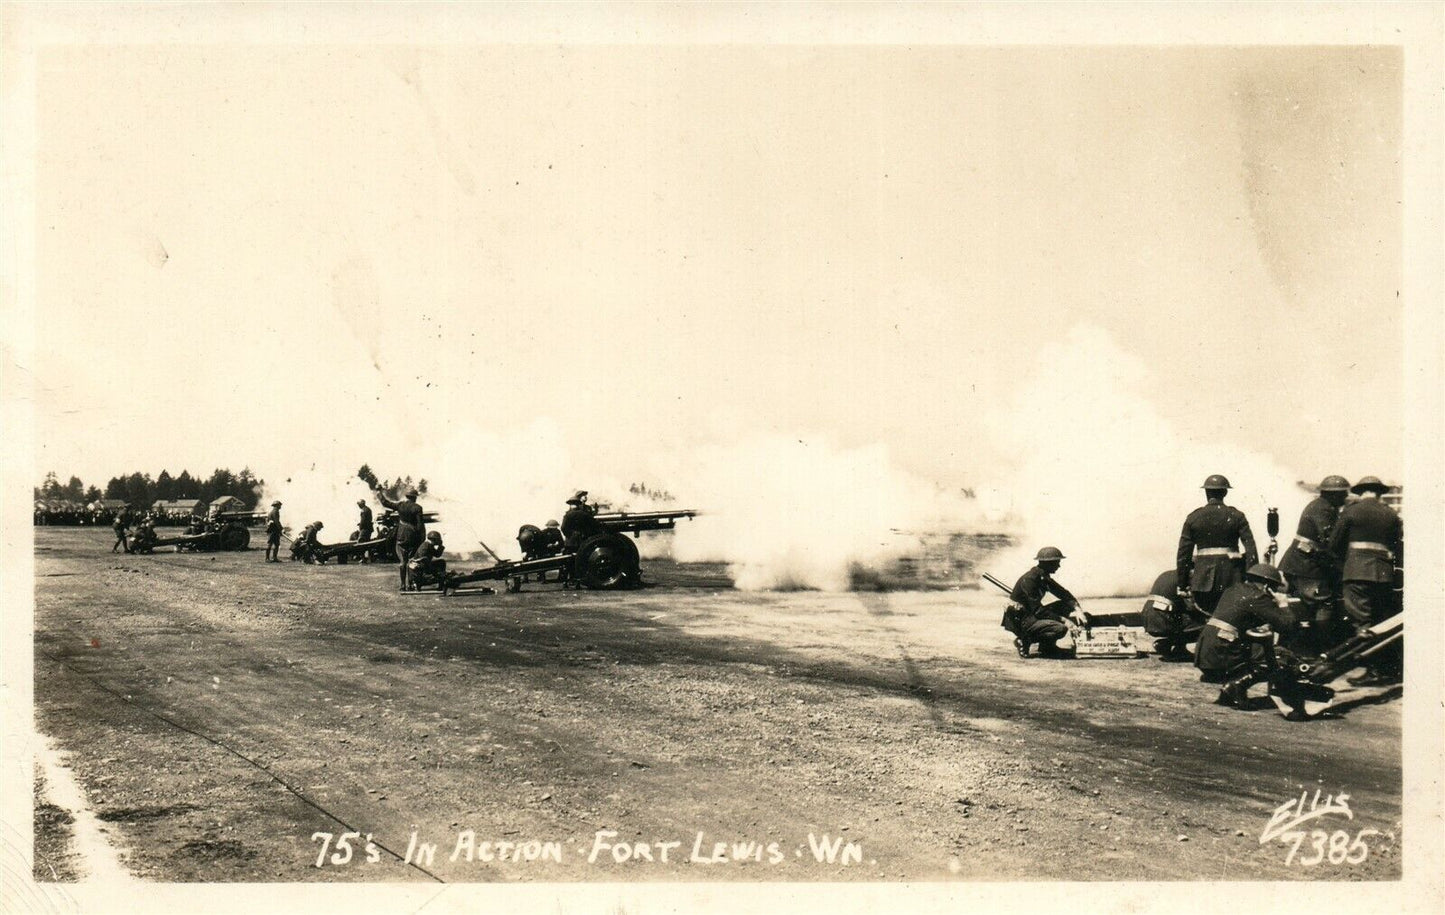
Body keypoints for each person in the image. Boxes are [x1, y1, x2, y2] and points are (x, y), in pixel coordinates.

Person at [1327, 476, 1403, 684]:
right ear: (1379, 492)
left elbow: (1334, 544)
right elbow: (1398, 546)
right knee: (1380, 622)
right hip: (1384, 575)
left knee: (1362, 623)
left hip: (1357, 573)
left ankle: (1371, 668)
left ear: (1361, 491)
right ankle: (1383, 668)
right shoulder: (1391, 514)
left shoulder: (1351, 511)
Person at [1194, 563, 1297, 707]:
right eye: (1273, 588)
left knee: (1259, 652)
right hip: (1221, 652)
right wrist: (1283, 604)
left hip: (1206, 653)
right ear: (1266, 586)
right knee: (1283, 657)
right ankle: (1236, 686)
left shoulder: (1233, 590)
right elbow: (1288, 626)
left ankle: (1229, 691)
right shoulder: (1258, 597)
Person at [1278, 475, 1350, 651]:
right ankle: (1323, 647)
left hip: (1301, 563)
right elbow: (1330, 539)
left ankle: (1293, 644)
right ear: (1333, 494)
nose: (1345, 498)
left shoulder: (1321, 506)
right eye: (1342, 494)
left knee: (1303, 606)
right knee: (1324, 602)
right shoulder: (1324, 509)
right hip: (1306, 566)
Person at [1176, 474, 1258, 618]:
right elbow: (1251, 550)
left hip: (1202, 582)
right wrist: (1252, 580)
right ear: (1225, 492)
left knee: (1207, 619)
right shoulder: (1237, 516)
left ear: (1207, 493)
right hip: (1232, 579)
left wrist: (1182, 584)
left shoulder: (1193, 517)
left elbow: (1183, 554)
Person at [1003, 547, 1089, 659]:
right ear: (1048, 563)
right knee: (1060, 628)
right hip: (1021, 619)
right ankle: (1024, 640)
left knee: (1065, 606)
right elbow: (1038, 610)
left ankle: (1047, 648)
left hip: (1031, 614)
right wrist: (1065, 621)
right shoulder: (1030, 579)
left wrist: (1078, 610)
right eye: (1057, 562)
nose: (1059, 566)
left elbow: (1063, 594)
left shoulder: (1042, 576)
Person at [1139, 569, 1205, 659]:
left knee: (1182, 617)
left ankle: (1178, 648)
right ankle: (1167, 644)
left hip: (1148, 618)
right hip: (1163, 618)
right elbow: (1191, 606)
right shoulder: (1185, 577)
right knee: (1204, 625)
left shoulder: (1166, 574)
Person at [376, 485, 426, 591]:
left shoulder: (401, 505)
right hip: (413, 537)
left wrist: (379, 492)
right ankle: (410, 584)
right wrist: (422, 539)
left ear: (407, 496)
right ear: (415, 497)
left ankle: (402, 585)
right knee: (412, 561)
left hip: (401, 535)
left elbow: (385, 503)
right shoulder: (418, 508)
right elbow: (420, 525)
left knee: (402, 562)